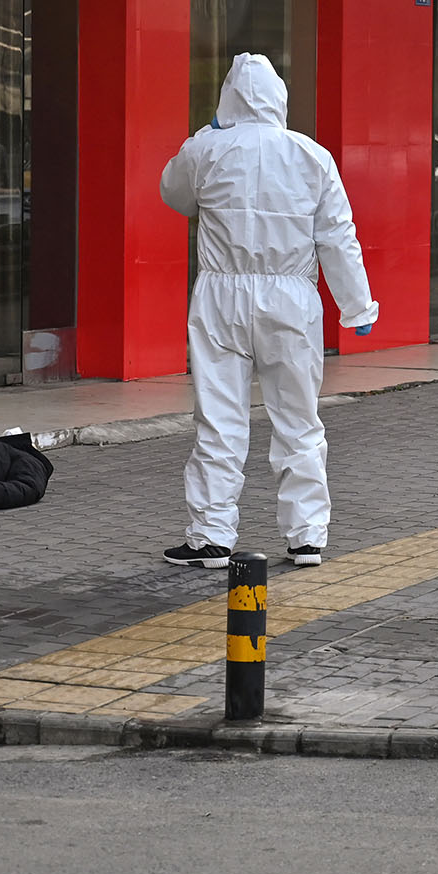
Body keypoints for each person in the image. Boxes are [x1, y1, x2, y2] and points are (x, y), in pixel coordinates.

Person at [157, 53, 377, 570]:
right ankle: (306, 537)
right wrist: (356, 305)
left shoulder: (206, 149)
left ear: (227, 97)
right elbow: (338, 238)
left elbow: (172, 194)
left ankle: (211, 536)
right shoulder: (312, 156)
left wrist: (203, 134)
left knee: (218, 418)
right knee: (299, 419)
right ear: (279, 98)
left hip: (221, 296)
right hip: (291, 300)